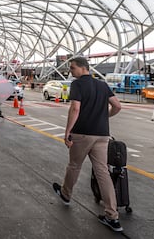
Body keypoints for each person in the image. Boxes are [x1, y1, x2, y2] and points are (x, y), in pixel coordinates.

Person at [52, 57, 123, 232]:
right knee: (103, 173)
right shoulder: (102, 85)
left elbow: (75, 108)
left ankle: (66, 194)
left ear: (83, 68)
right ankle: (112, 216)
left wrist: (68, 131)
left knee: (74, 165)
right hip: (102, 135)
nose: (71, 72)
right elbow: (117, 106)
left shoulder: (77, 85)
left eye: (72, 68)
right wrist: (104, 117)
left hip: (82, 133)